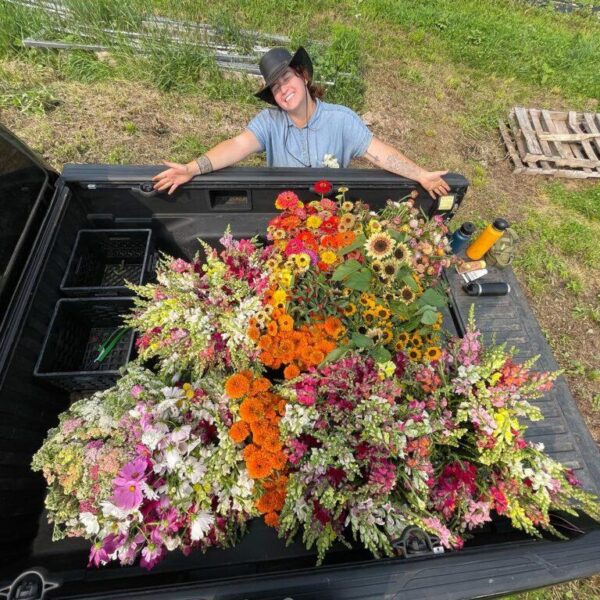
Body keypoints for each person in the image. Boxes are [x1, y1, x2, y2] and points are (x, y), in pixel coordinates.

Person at [152, 47, 450, 199]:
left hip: (331, 208)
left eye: (287, 79)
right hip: (281, 207)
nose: (283, 89)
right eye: (276, 87)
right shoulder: (269, 122)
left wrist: (420, 174)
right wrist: (192, 168)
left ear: (303, 77)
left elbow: (378, 152)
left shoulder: (341, 120)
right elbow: (236, 146)